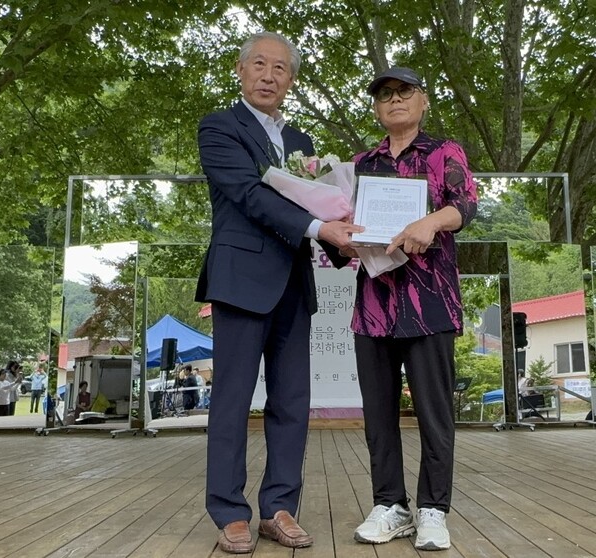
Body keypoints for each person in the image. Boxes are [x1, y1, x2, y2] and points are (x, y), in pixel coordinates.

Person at [196, 31, 361, 554]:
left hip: (294, 283)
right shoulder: (219, 127)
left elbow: (321, 211)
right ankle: (229, 511)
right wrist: (321, 231)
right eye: (259, 65)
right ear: (241, 71)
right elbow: (246, 194)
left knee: (293, 401)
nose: (269, 76)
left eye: (281, 69)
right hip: (240, 281)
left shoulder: (302, 145)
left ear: (292, 80)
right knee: (232, 400)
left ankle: (280, 508)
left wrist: (352, 244)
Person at [349, 67, 477, 551]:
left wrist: (431, 221)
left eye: (405, 92)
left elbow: (466, 205)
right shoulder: (363, 163)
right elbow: (348, 225)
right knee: (377, 414)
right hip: (373, 305)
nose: (395, 100)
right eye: (385, 94)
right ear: (377, 108)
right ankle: (390, 505)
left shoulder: (446, 152)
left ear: (423, 101)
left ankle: (432, 510)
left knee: (433, 412)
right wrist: (344, 240)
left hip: (430, 303)